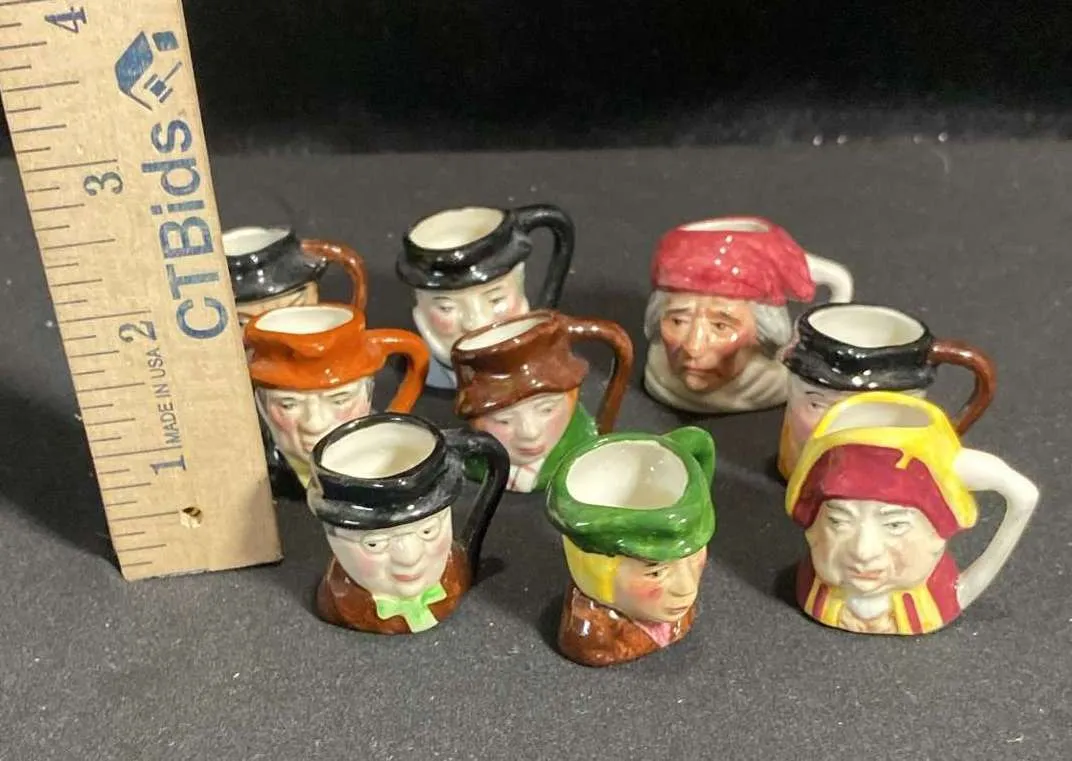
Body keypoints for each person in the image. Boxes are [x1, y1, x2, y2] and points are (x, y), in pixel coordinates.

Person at [644, 217, 852, 413]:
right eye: (678, 322)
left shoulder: (775, 383)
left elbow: (838, 281)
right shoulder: (659, 374)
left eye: (720, 326)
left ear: (764, 333)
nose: (694, 347)